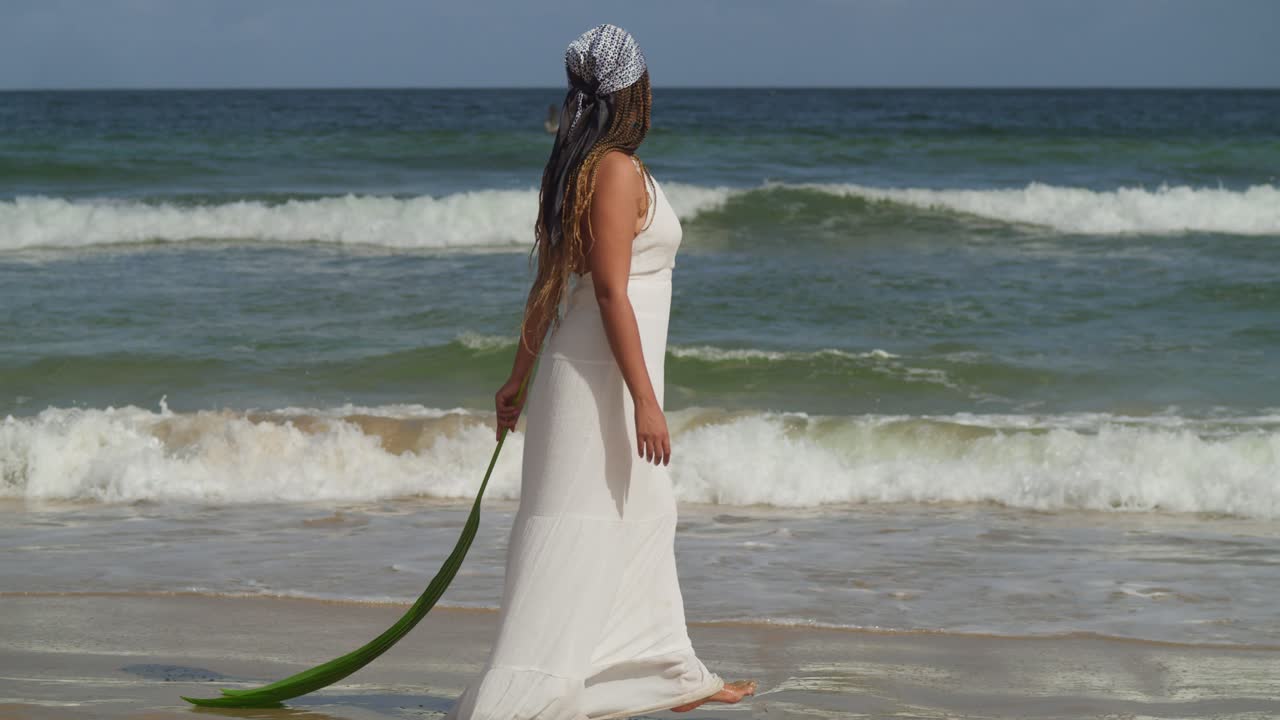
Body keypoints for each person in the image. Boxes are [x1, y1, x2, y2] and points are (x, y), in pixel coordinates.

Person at [445, 23, 757, 720]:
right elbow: (608, 291)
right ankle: (531, 693)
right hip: (599, 382)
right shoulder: (612, 170)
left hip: (586, 373)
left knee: (644, 513)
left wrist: (517, 377)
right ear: (634, 91)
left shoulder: (577, 166)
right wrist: (645, 399)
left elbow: (550, 286)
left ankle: (665, 672)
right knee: (578, 525)